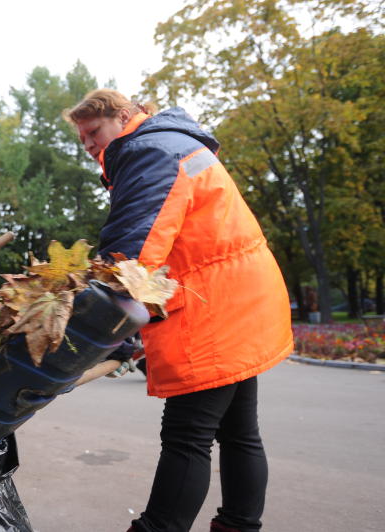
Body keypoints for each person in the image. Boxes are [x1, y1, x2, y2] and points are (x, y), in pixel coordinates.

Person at [64, 89, 293, 532]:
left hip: (214, 309)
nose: (89, 144)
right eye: (82, 139)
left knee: (187, 437)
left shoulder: (148, 151)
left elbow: (131, 256)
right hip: (238, 297)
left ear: (125, 116)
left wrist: (96, 331)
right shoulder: (171, 142)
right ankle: (240, 525)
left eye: (93, 132)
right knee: (239, 431)